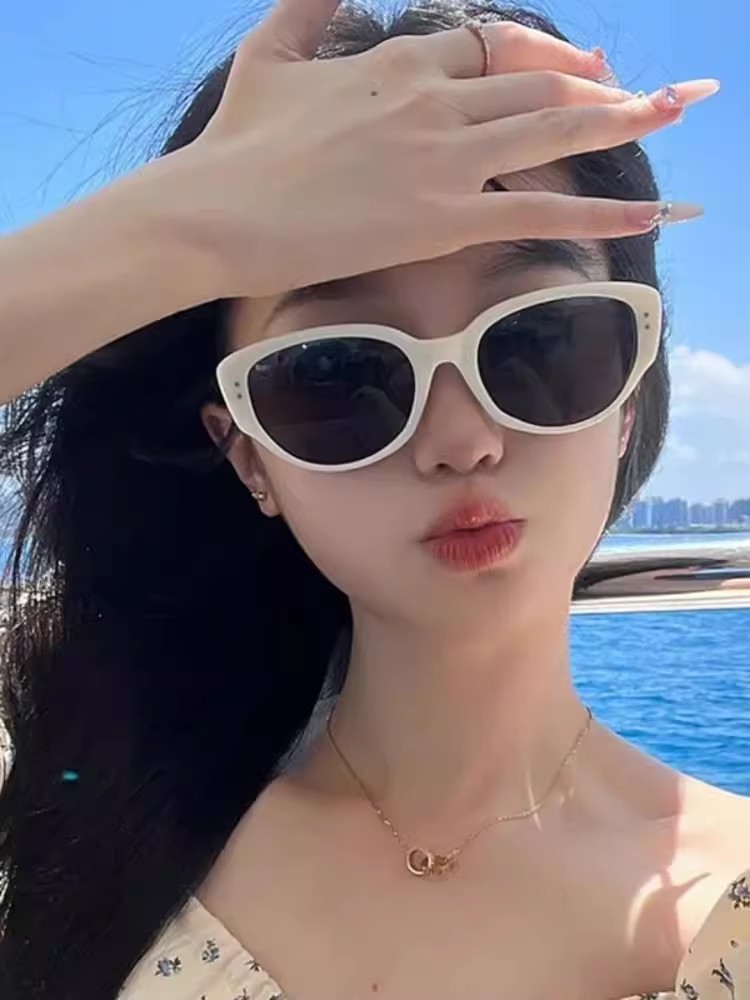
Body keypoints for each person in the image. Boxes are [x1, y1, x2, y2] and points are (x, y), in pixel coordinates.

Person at [0, 0, 746, 998]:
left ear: (630, 393)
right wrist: (180, 222)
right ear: (247, 456)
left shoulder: (732, 902)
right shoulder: (68, 805)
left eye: (541, 340)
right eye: (337, 373)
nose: (462, 440)